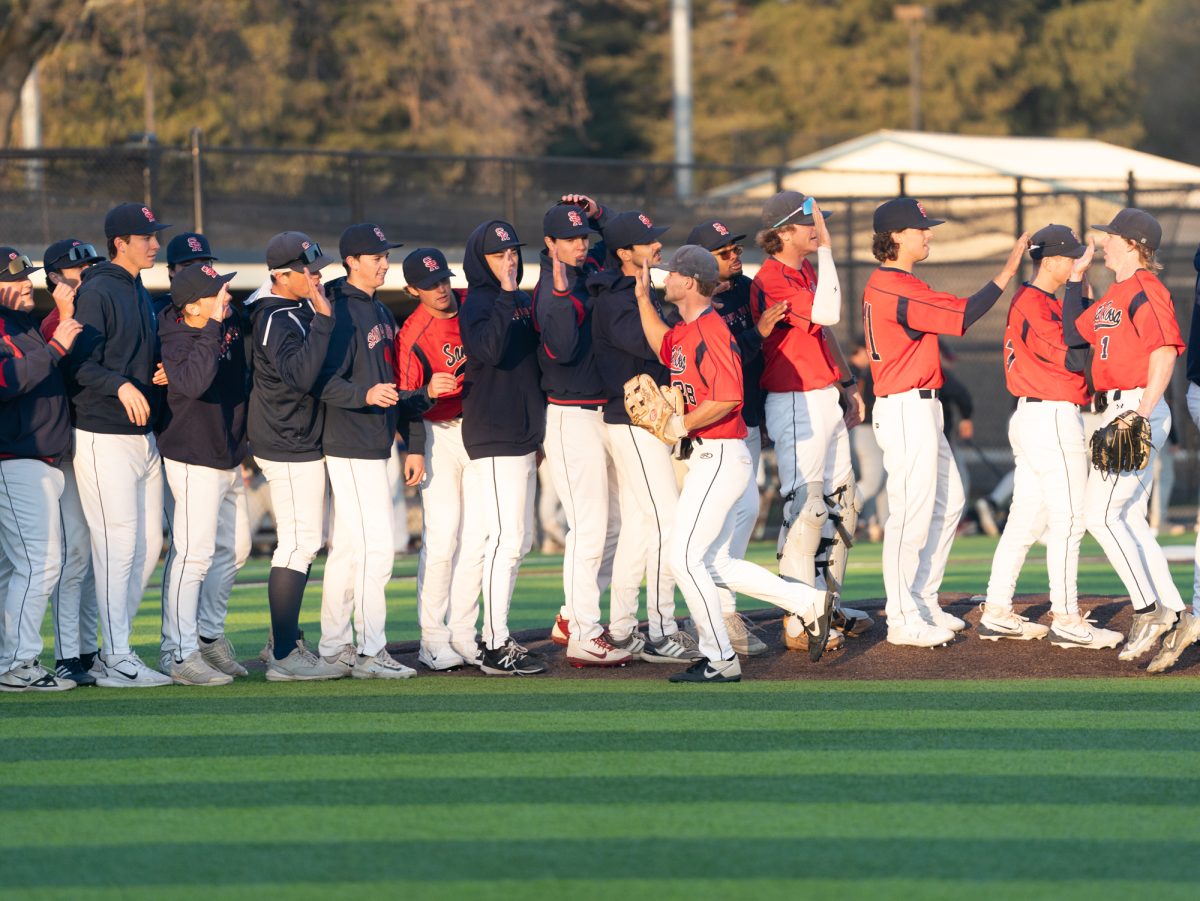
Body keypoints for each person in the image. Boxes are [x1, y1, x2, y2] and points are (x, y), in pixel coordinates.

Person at [629, 246, 833, 682]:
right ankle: (808, 603)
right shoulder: (686, 331)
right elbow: (662, 346)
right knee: (713, 562)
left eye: (671, 275)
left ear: (689, 282)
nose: (666, 279)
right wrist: (643, 299)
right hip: (712, 456)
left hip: (719, 453)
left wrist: (681, 424)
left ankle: (720, 657)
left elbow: (727, 398)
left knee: (684, 560)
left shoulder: (711, 331)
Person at [862, 197, 1027, 647]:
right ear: (895, 237)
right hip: (904, 407)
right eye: (920, 229)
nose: (928, 233)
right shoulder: (898, 287)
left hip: (919, 406)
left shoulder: (895, 282)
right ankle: (900, 618)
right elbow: (961, 316)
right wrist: (1007, 272)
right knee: (909, 516)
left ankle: (921, 599)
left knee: (951, 499)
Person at [977, 224, 1121, 647]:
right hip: (1051, 418)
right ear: (1053, 260)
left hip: (1039, 416)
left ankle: (998, 609)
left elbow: (1082, 333)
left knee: (1026, 520)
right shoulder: (1034, 304)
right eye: (1072, 257)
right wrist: (1080, 285)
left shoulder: (1039, 301)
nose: (1078, 262)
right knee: (1070, 520)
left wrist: (1081, 287)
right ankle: (1066, 617)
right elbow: (1076, 356)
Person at [316, 223, 448, 679]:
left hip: (374, 442)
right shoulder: (337, 309)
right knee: (379, 549)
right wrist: (363, 396)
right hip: (350, 440)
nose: (384, 262)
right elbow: (317, 379)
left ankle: (335, 647)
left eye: (385, 254)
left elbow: (399, 387)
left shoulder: (379, 311)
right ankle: (371, 652)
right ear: (351, 260)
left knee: (351, 551)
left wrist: (413, 442)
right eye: (375, 256)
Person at [751, 191, 873, 648]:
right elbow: (828, 310)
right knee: (807, 508)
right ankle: (798, 619)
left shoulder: (802, 270)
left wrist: (847, 383)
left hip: (822, 393)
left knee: (844, 504)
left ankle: (827, 605)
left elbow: (824, 332)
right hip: (794, 399)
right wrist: (827, 248)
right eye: (808, 224)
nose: (816, 229)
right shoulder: (771, 278)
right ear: (781, 233)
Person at [1072, 209, 1189, 668]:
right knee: (1130, 520)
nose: (1103, 242)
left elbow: (1163, 352)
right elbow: (1074, 332)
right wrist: (1074, 282)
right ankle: (1177, 612)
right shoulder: (1114, 294)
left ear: (1133, 244)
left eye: (1110, 236)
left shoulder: (1147, 288)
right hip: (1114, 405)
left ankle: (1149, 609)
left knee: (1098, 514)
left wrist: (1139, 414)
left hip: (1136, 405)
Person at [69, 203, 172, 687]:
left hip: (141, 436)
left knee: (147, 544)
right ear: (120, 243)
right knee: (116, 548)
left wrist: (155, 373)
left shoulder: (135, 286)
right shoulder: (98, 289)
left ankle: (115, 646)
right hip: (101, 434)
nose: (154, 243)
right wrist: (121, 385)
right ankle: (114, 657)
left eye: (154, 235)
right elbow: (78, 365)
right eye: (145, 236)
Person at [590, 211, 700, 663]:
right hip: (632, 421)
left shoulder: (640, 290)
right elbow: (661, 346)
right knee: (667, 523)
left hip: (642, 421)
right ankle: (660, 630)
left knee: (640, 526)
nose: (657, 246)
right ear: (622, 253)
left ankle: (621, 627)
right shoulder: (616, 298)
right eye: (646, 241)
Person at [534, 194, 633, 667]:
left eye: (582, 237)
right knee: (590, 527)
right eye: (569, 238)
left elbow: (625, 239)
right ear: (549, 242)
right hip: (570, 416)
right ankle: (584, 634)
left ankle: (573, 615)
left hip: (602, 414)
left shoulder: (589, 266)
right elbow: (563, 348)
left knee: (612, 526)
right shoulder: (549, 288)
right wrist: (557, 297)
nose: (579, 244)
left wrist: (600, 215)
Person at [247, 231, 345, 682]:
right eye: (307, 269)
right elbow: (301, 376)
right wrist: (324, 320)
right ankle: (285, 654)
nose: (317, 275)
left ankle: (282, 641)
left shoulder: (292, 308)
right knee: (299, 543)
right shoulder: (273, 316)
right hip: (286, 442)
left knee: (302, 542)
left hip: (296, 438)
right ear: (280, 275)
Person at [682, 217, 775, 656]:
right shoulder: (692, 308)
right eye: (724, 252)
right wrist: (757, 334)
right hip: (709, 430)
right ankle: (719, 609)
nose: (735, 255)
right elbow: (726, 361)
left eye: (734, 248)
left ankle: (719, 605)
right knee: (719, 523)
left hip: (745, 419)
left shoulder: (744, 288)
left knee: (744, 513)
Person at [458, 219, 548, 675]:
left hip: (521, 432)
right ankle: (493, 642)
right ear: (481, 259)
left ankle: (498, 635)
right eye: (499, 254)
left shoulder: (519, 299)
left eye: (513, 251)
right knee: (504, 538)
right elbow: (489, 350)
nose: (509, 259)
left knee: (521, 539)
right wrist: (509, 294)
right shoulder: (477, 301)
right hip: (493, 432)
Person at [156, 263, 251, 685]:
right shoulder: (178, 335)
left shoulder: (223, 320)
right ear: (194, 306)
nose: (226, 296)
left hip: (226, 453)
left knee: (238, 549)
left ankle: (208, 636)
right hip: (193, 455)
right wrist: (213, 323)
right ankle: (179, 652)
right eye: (217, 292)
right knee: (193, 555)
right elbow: (193, 382)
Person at [394, 247, 483, 671]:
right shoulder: (412, 333)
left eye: (444, 279)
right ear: (413, 290)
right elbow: (405, 402)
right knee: (444, 537)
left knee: (478, 538)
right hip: (438, 434)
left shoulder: (470, 302)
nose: (441, 289)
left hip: (482, 429)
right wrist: (428, 392)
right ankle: (432, 638)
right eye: (430, 285)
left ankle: (464, 632)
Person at [0, 247, 81, 692]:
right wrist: (53, 348)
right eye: (14, 278)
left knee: (17, 568)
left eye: (26, 276)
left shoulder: (22, 323)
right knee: (41, 564)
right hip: (16, 458)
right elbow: (6, 382)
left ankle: (9, 659)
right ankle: (16, 664)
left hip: (37, 458)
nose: (26, 283)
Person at [40, 238, 105, 686]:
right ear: (54, 280)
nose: (85, 276)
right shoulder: (51, 322)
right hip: (59, 454)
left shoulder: (95, 313)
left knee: (92, 553)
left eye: (88, 268)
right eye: (75, 271)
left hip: (87, 446)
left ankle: (86, 648)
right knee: (73, 552)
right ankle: (67, 654)